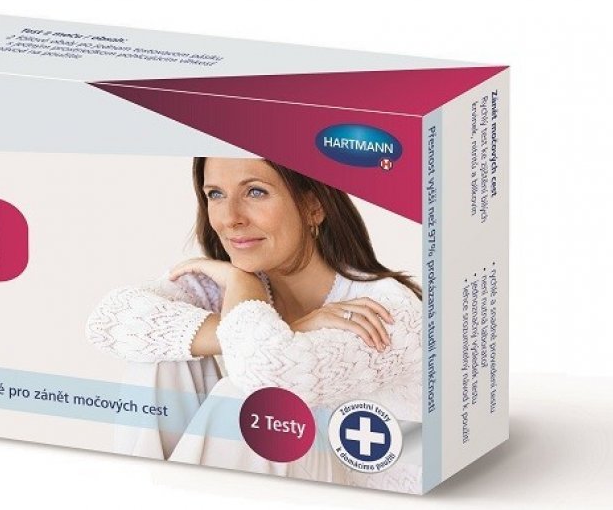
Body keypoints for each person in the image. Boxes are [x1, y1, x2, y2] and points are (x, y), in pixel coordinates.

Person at [85, 157, 423, 492]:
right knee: (161, 354)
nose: (230, 218)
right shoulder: (234, 281)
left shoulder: (388, 309)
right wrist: (278, 319)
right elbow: (108, 320)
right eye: (216, 194)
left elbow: (266, 374)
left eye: (255, 192)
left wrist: (244, 293)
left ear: (313, 206)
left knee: (253, 399)